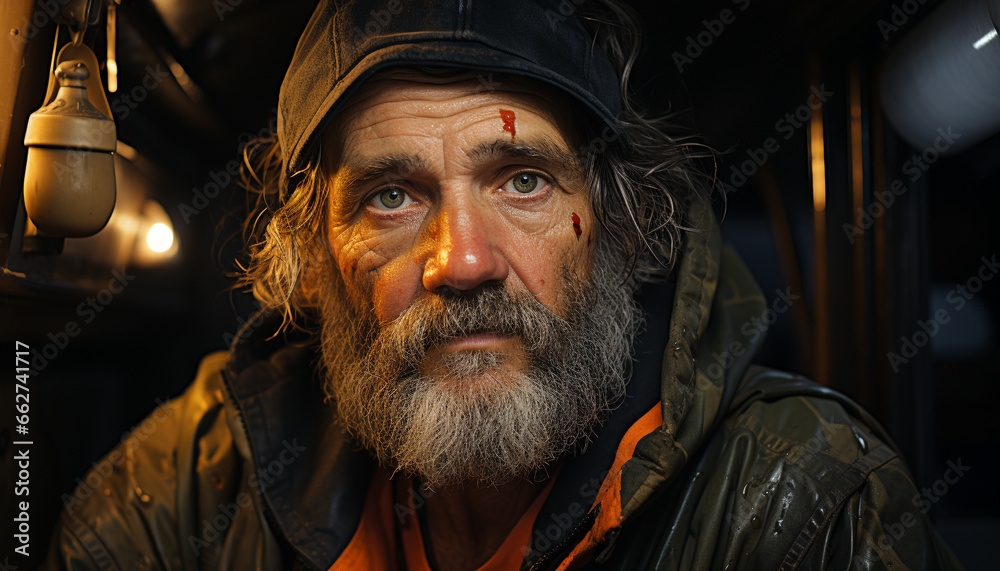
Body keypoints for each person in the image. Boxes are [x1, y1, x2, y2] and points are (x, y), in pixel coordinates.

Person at [43, 0, 964, 569]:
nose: (465, 260)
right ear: (314, 260)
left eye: (523, 179)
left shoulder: (800, 499)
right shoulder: (205, 473)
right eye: (393, 196)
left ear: (612, 223)